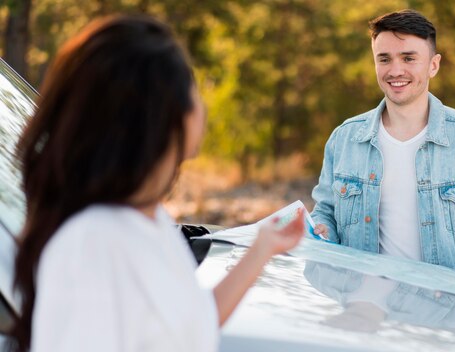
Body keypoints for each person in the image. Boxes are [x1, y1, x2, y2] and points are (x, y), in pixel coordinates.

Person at [10, 15, 304, 352]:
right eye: (192, 89)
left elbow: (191, 325)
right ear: (159, 115)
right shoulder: (93, 245)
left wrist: (263, 248)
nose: (202, 106)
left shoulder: (148, 220)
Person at [311, 9, 455, 285]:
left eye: (409, 58)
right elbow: (326, 213)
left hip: (451, 309)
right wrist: (320, 233)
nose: (395, 70)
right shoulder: (344, 139)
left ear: (433, 65)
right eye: (384, 59)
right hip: (366, 309)